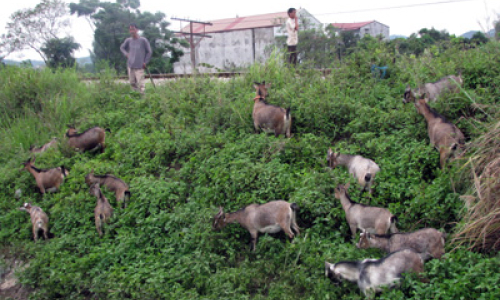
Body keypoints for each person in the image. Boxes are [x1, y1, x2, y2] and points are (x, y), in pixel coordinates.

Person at [120, 23, 152, 94]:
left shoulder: (143, 40)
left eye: (133, 29)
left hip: (140, 66)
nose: (132, 31)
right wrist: (126, 54)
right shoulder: (128, 40)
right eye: (130, 29)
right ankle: (135, 98)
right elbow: (122, 48)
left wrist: (145, 62)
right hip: (130, 65)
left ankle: (143, 100)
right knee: (132, 83)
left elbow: (149, 52)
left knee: (141, 85)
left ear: (137, 30)